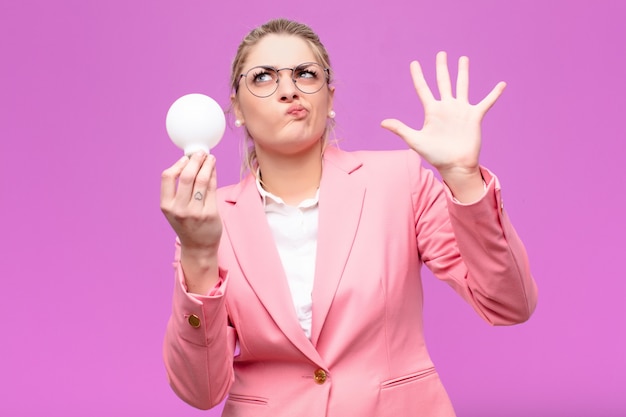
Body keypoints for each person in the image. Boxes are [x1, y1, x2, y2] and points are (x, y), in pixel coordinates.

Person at [159, 18, 538, 417]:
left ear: (330, 96)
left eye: (306, 74)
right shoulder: (207, 219)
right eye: (264, 77)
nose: (288, 89)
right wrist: (199, 254)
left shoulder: (400, 182)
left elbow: (509, 305)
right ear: (236, 107)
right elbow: (200, 392)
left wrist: (463, 180)